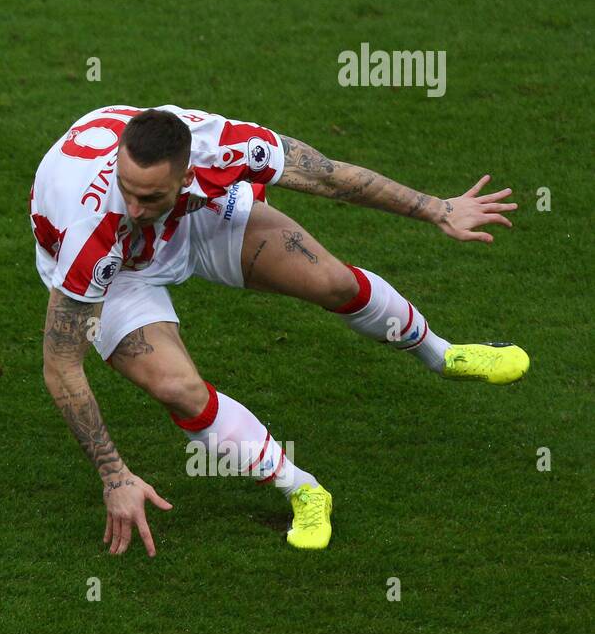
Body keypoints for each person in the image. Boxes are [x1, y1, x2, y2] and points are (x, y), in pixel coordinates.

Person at [32, 104, 526, 553]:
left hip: (191, 222)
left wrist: (436, 207)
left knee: (330, 280)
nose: (136, 207)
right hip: (118, 271)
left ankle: (443, 355)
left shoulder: (221, 146)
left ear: (186, 174)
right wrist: (114, 475)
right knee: (176, 387)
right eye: (129, 190)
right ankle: (302, 489)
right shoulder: (90, 231)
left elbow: (329, 178)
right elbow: (61, 365)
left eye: (150, 195)